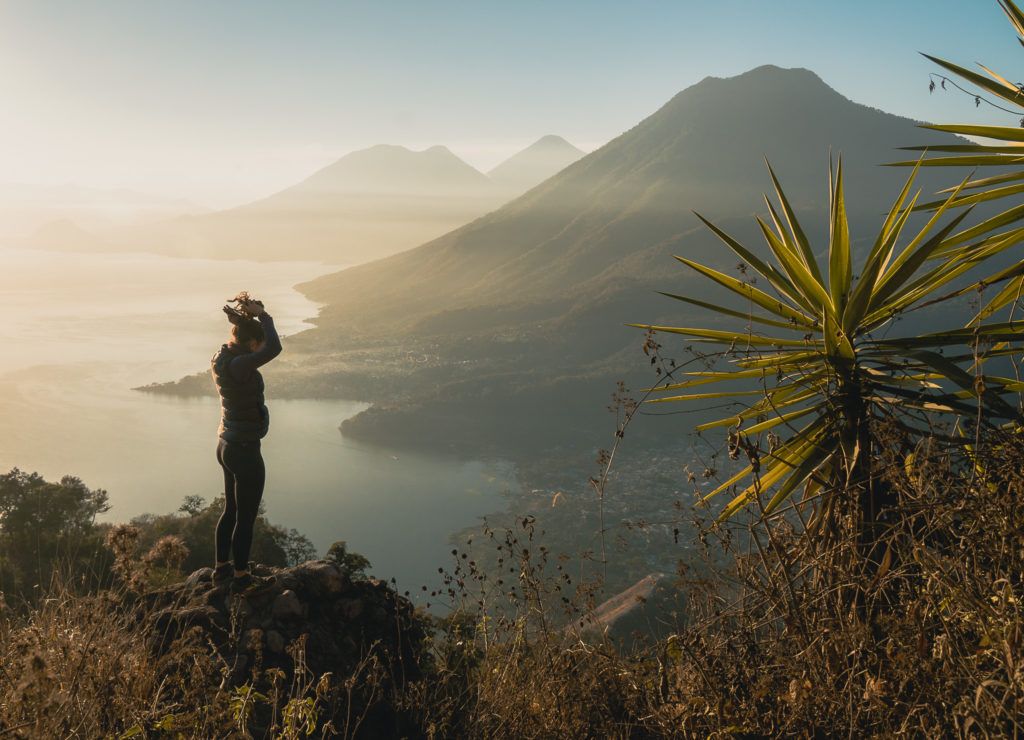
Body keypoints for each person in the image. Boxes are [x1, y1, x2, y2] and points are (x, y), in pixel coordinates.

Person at [209, 292, 282, 591]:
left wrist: (245, 318)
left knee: (231, 511)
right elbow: (275, 347)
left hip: (226, 442)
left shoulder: (223, 356)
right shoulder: (240, 365)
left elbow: (253, 340)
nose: (260, 349)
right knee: (246, 516)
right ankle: (241, 577)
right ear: (252, 344)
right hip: (243, 449)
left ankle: (221, 568)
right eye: (258, 344)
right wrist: (265, 317)